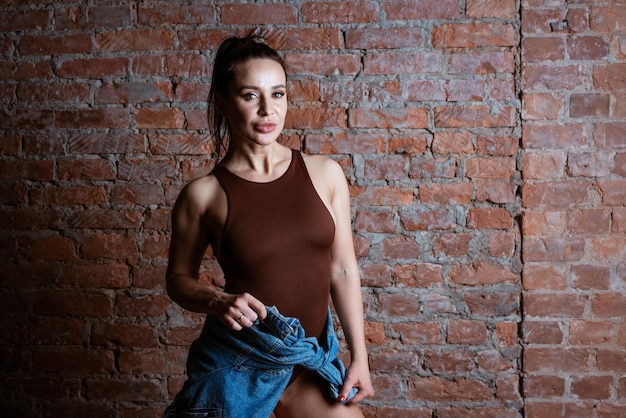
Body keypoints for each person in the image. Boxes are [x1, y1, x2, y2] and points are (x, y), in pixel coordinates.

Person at [164, 29, 374, 418]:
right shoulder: (203, 195)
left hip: (306, 363)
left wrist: (359, 356)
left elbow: (342, 268)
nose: (267, 110)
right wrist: (218, 300)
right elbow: (177, 280)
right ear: (224, 104)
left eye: (277, 94)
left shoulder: (325, 174)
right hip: (238, 364)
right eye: (250, 96)